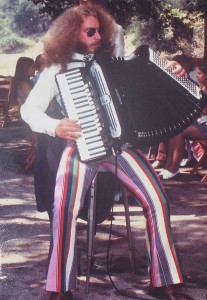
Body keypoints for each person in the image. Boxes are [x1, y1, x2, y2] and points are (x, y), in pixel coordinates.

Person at [21, 5, 186, 300]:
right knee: (63, 209)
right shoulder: (56, 70)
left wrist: (172, 70)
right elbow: (29, 109)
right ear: (72, 34)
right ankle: (59, 289)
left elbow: (146, 75)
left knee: (158, 200)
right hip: (82, 148)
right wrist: (54, 125)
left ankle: (165, 283)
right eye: (90, 32)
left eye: (100, 30)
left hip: (119, 147)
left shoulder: (115, 62)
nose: (98, 36)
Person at [159, 61, 207, 179]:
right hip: (202, 122)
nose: (197, 75)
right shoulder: (201, 87)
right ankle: (168, 166)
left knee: (181, 131)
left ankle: (174, 169)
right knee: (175, 128)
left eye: (200, 73)